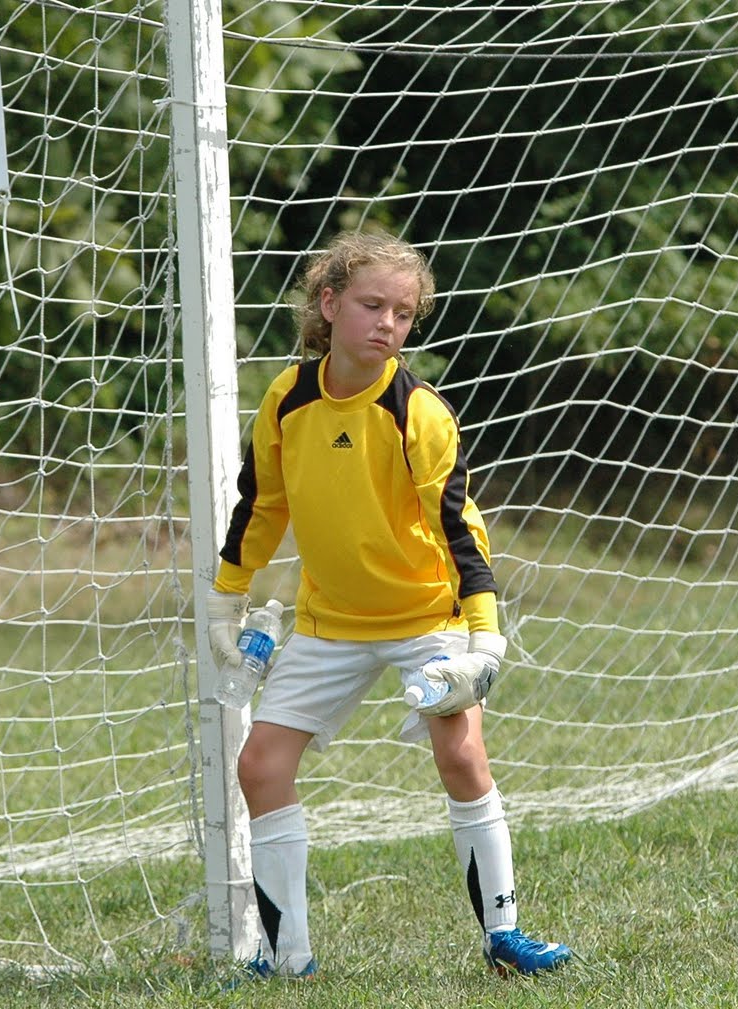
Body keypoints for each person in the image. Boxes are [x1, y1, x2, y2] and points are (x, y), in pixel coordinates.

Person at [206, 230, 572, 980]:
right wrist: (225, 601)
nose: (388, 324)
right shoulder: (286, 400)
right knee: (261, 765)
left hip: (425, 619)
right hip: (328, 623)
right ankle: (288, 956)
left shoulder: (420, 411)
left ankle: (505, 934)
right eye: (372, 304)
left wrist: (485, 640)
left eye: (404, 313)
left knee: (461, 752)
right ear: (330, 303)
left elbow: (459, 527)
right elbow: (261, 506)